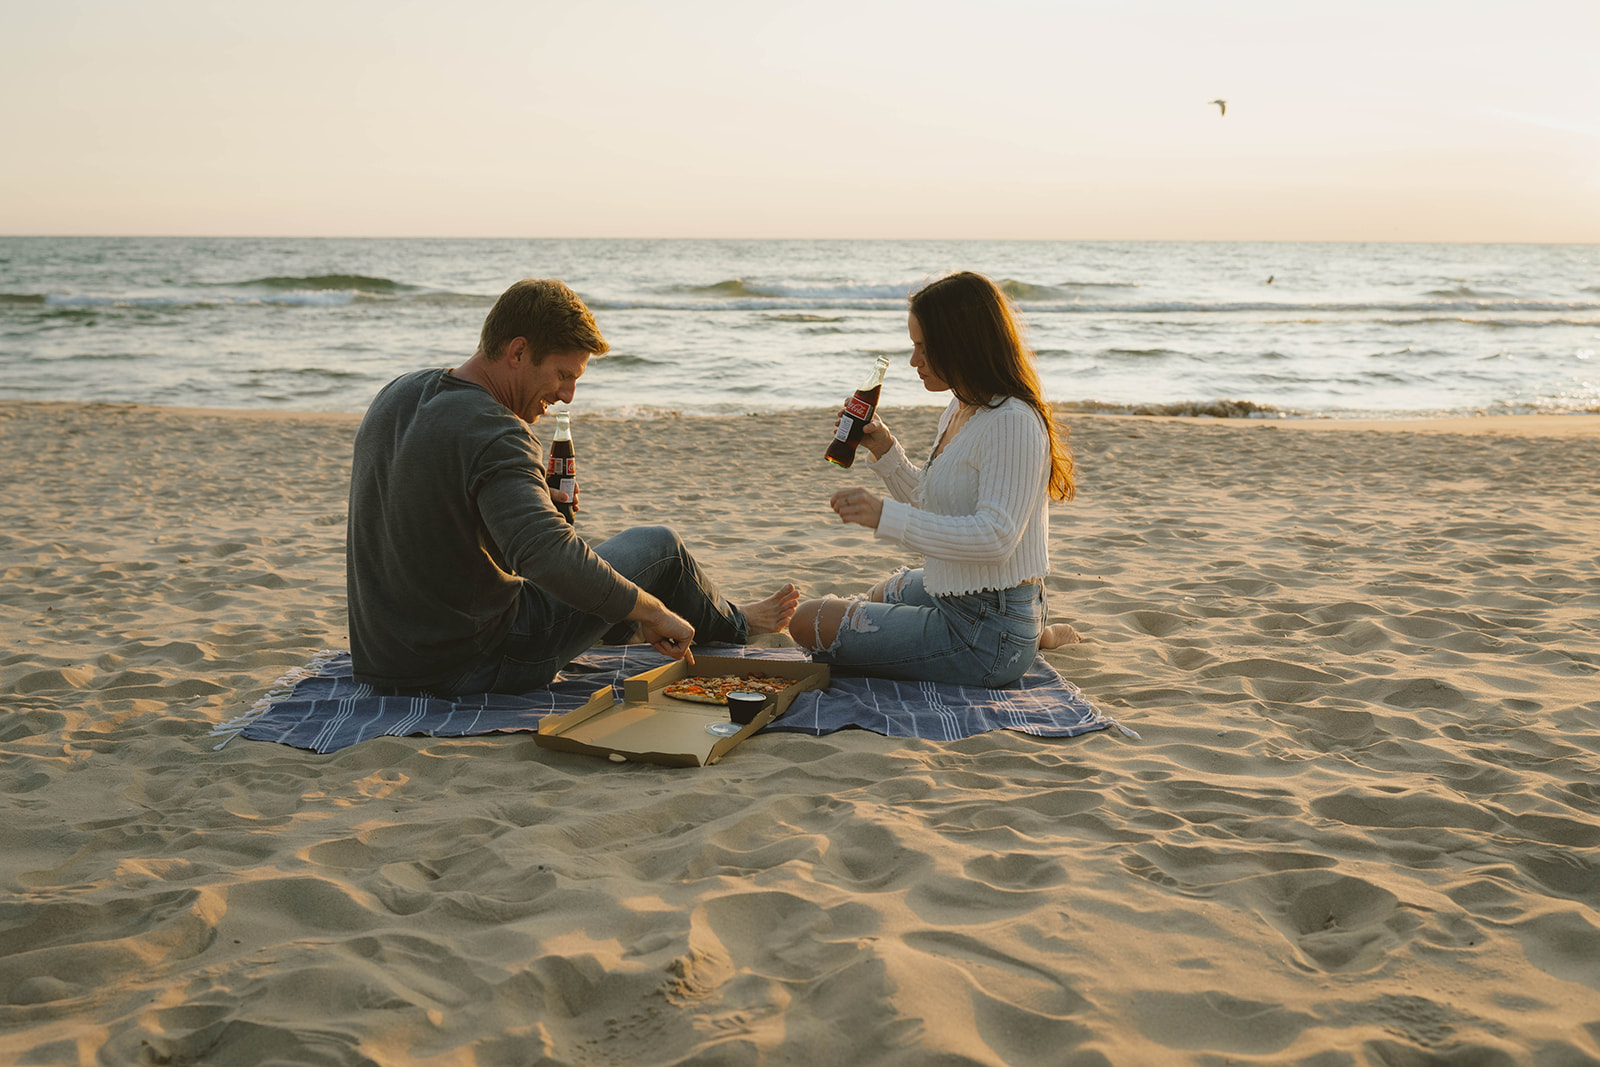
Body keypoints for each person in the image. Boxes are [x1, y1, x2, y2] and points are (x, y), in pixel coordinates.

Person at [346, 277, 798, 694]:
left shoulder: (398, 393)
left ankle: (630, 627)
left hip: (385, 661)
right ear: (518, 352)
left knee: (602, 576)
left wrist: (545, 507)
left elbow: (457, 540)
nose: (567, 396)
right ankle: (735, 623)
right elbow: (543, 556)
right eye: (564, 375)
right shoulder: (498, 431)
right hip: (474, 662)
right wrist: (653, 611)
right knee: (660, 548)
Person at [789, 271, 1078, 687]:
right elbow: (934, 505)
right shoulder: (962, 408)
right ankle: (1037, 634)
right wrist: (884, 450)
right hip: (957, 591)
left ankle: (1028, 638)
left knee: (808, 621)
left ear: (961, 343)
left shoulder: (1012, 421)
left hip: (988, 630)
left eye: (924, 347)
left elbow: (995, 538)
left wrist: (883, 517)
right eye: (914, 346)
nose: (914, 361)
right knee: (881, 593)